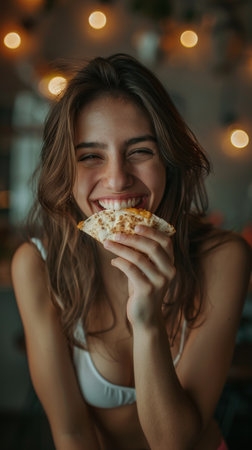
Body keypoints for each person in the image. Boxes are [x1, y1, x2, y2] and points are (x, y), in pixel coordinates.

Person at [11, 53, 251, 450]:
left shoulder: (223, 258)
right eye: (90, 156)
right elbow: (71, 434)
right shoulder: (37, 265)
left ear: (169, 161)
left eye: (140, 150)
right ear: (64, 170)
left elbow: (177, 444)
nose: (118, 178)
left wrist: (148, 320)